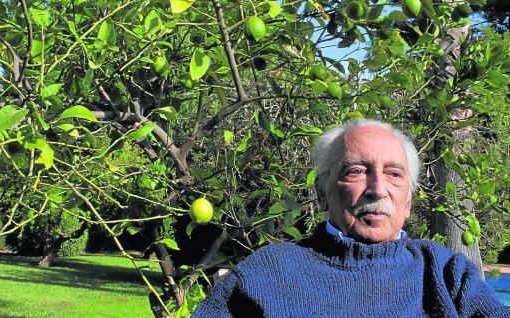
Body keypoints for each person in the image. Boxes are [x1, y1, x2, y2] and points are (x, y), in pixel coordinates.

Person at [192, 119, 510, 317]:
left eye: (394, 174)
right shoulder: (267, 274)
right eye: (357, 171)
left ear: (409, 201)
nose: (377, 189)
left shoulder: (447, 275)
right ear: (322, 192)